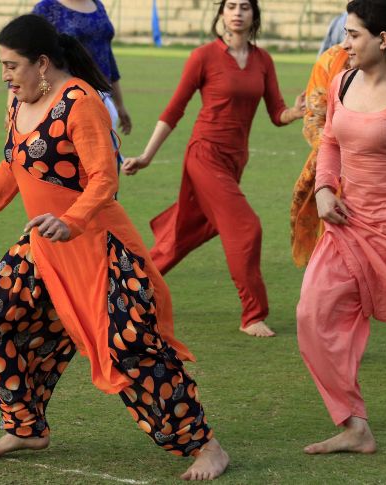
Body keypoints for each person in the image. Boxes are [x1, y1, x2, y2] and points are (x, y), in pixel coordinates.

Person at [0, 14, 229, 481]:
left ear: (42, 63)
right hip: (45, 249)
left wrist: (72, 220)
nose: (4, 75)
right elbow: (13, 166)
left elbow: (104, 177)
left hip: (102, 250)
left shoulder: (79, 102)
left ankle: (205, 445)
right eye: (2, 65)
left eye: (11, 66)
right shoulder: (19, 101)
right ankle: (25, 426)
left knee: (132, 347)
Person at [121, 0, 305, 338]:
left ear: (254, 15)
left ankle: (125, 286)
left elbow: (276, 111)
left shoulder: (263, 60)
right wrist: (147, 156)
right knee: (247, 228)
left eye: (244, 7)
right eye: (231, 6)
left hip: (235, 161)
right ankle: (253, 315)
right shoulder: (203, 56)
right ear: (221, 13)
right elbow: (175, 109)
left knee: (182, 235)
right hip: (204, 156)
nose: (237, 12)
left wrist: (294, 112)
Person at [296, 0, 386, 455]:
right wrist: (324, 190)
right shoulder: (342, 80)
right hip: (347, 224)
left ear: (383, 40)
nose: (344, 43)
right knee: (312, 316)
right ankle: (354, 426)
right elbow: (330, 142)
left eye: (354, 34)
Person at [291, 3, 386, 269]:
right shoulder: (332, 66)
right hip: (338, 196)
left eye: (353, 35)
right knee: (322, 299)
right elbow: (315, 120)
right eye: (346, 33)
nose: (345, 42)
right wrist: (327, 182)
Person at [32, 0, 131, 138]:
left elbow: (107, 55)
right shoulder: (46, 8)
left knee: (106, 153)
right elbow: (29, 54)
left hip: (102, 97)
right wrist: (12, 103)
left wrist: (119, 104)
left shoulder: (98, 5)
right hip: (67, 99)